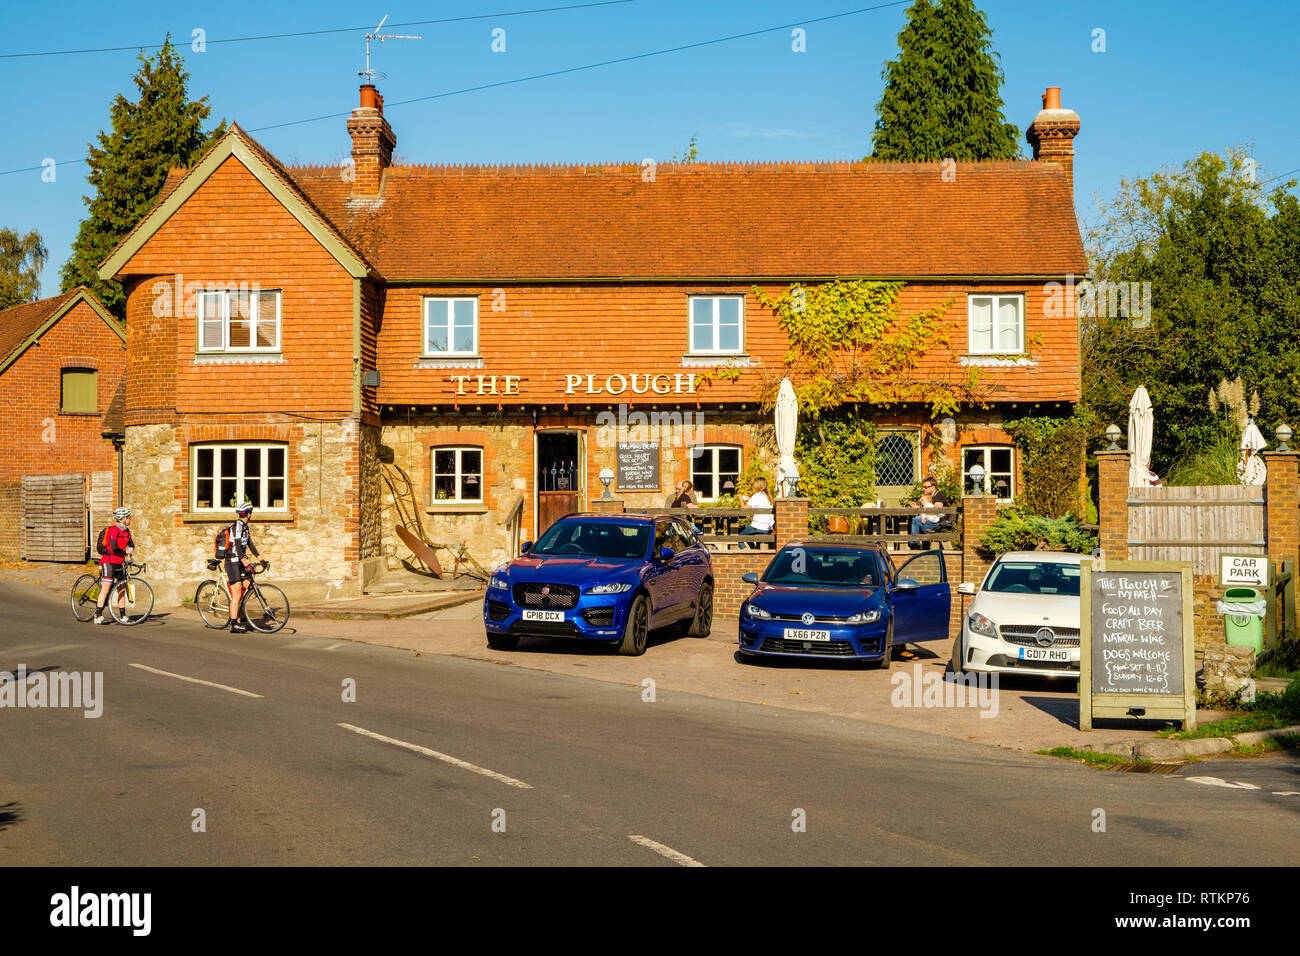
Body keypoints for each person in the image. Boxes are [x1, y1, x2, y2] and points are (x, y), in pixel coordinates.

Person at [224, 501, 262, 633]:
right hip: (232, 561)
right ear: (248, 514)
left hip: (239, 561)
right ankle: (234, 624)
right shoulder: (237, 527)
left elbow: (250, 544)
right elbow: (239, 547)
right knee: (237, 591)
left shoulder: (245, 526)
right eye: (250, 512)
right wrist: (245, 562)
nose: (251, 514)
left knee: (249, 580)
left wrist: (260, 559)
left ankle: (237, 608)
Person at [94, 506, 134, 624]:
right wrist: (125, 552)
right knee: (106, 589)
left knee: (121, 588)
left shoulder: (127, 531)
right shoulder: (113, 530)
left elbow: (131, 544)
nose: (130, 519)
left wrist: (131, 549)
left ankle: (123, 616)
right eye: (128, 517)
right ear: (122, 518)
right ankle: (98, 615)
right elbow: (114, 547)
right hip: (109, 562)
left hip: (120, 562)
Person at [908, 477, 948, 549]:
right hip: (932, 522)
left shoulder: (938, 497)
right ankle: (922, 547)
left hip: (938, 525)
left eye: (926, 487)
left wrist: (922, 510)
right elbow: (928, 509)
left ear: (933, 487)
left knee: (915, 520)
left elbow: (937, 510)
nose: (924, 489)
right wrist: (918, 508)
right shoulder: (930, 497)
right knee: (912, 519)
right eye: (923, 487)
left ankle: (913, 546)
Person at [739, 478, 774, 549]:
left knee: (737, 534)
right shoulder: (768, 497)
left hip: (758, 527)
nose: (753, 486)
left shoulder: (757, 496)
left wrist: (740, 499)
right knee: (746, 534)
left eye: (754, 484)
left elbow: (744, 510)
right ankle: (753, 550)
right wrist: (750, 500)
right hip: (768, 527)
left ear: (758, 486)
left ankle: (746, 551)